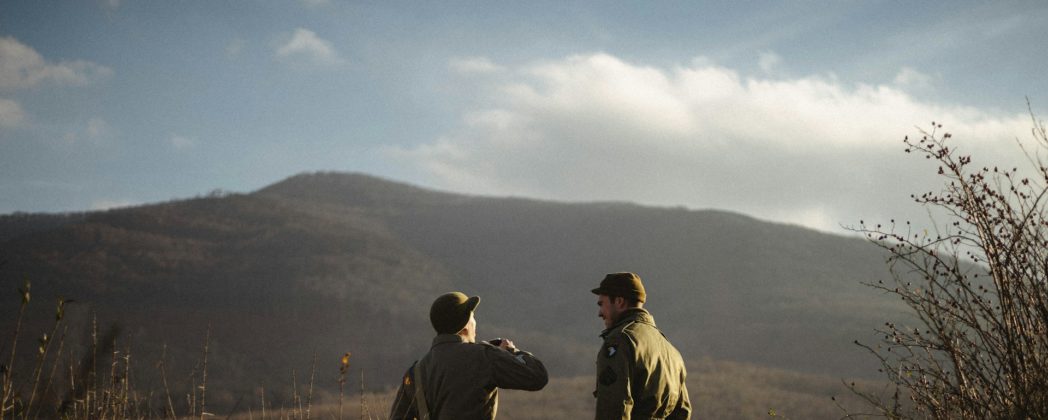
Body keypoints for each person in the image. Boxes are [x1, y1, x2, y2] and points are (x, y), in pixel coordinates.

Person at [389, 291, 548, 420]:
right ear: (465, 325)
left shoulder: (415, 373)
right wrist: (512, 352)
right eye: (473, 317)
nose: (475, 322)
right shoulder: (483, 357)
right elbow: (537, 376)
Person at [592, 272, 691, 419]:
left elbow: (613, 407)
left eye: (602, 304)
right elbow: (682, 412)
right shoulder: (671, 351)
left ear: (619, 301)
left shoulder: (620, 341)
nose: (600, 313)